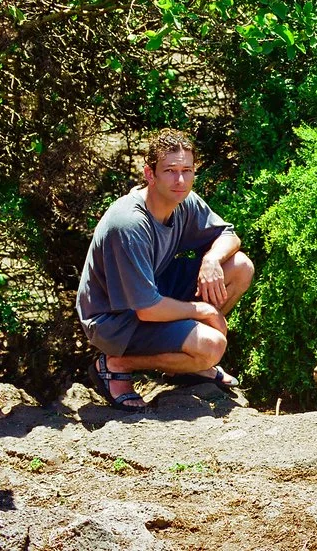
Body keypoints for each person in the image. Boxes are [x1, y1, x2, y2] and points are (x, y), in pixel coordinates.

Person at [76, 128, 254, 412]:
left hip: (152, 293)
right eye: (170, 170)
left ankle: (190, 365)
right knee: (212, 346)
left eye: (187, 170)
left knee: (240, 267)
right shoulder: (130, 223)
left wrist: (210, 260)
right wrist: (204, 311)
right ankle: (115, 364)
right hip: (115, 321)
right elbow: (147, 309)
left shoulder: (184, 200)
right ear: (150, 174)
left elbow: (229, 235)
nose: (180, 179)